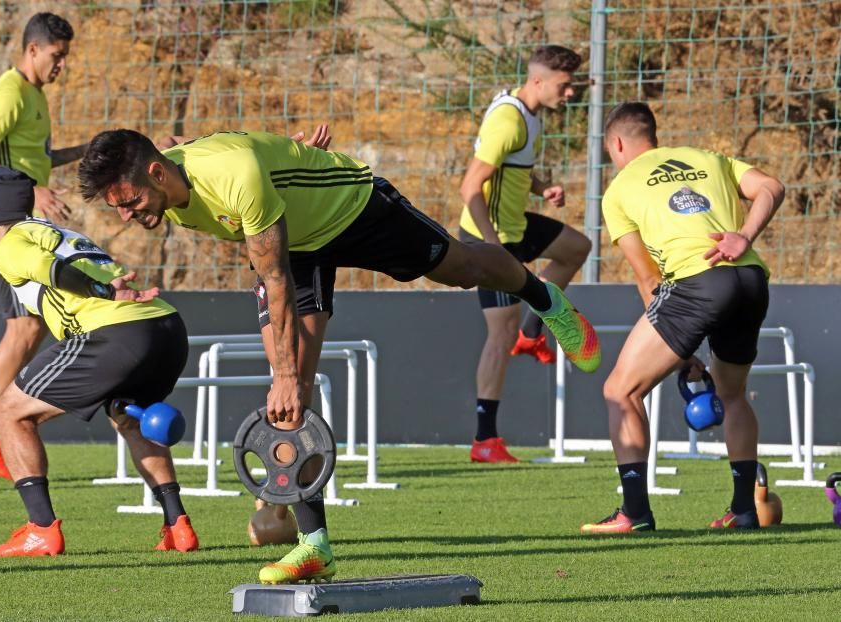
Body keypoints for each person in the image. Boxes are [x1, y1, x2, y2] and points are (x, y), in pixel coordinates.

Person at [77, 128, 601, 582]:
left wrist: (295, 162)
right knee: (290, 395)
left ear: (156, 173)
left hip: (352, 208)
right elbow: (266, 232)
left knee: (462, 269)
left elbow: (273, 274)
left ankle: (546, 299)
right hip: (293, 240)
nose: (126, 215)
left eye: (129, 201)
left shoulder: (229, 176)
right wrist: (285, 377)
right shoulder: (172, 173)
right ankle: (315, 546)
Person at [0, 166, 198, 556]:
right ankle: (178, 525)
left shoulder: (10, 244)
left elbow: (54, 272)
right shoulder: (59, 233)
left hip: (114, 331)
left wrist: (102, 291)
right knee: (129, 417)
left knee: (8, 413)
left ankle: (41, 529)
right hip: (165, 327)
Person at [581, 102, 784, 533]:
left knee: (622, 389)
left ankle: (634, 513)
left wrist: (680, 349)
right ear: (653, 136)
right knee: (733, 394)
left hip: (698, 285)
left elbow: (648, 279)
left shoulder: (618, 191)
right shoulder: (710, 159)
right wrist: (743, 236)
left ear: (616, 144)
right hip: (750, 279)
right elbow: (772, 187)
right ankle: (743, 510)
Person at [0, 12, 89, 479]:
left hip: (22, 230)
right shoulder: (10, 90)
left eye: (65, 58)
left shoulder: (34, 96)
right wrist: (31, 190)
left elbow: (42, 157)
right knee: (24, 329)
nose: (61, 66)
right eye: (57, 57)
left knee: (31, 328)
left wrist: (87, 150)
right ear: (33, 50)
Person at [458, 45, 592, 464]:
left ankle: (533, 332)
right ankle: (485, 440)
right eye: (565, 86)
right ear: (538, 81)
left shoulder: (527, 114)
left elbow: (512, 169)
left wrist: (541, 189)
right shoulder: (508, 120)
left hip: (514, 226)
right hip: (489, 236)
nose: (570, 94)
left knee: (576, 248)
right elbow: (470, 188)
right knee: (498, 332)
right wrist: (491, 248)